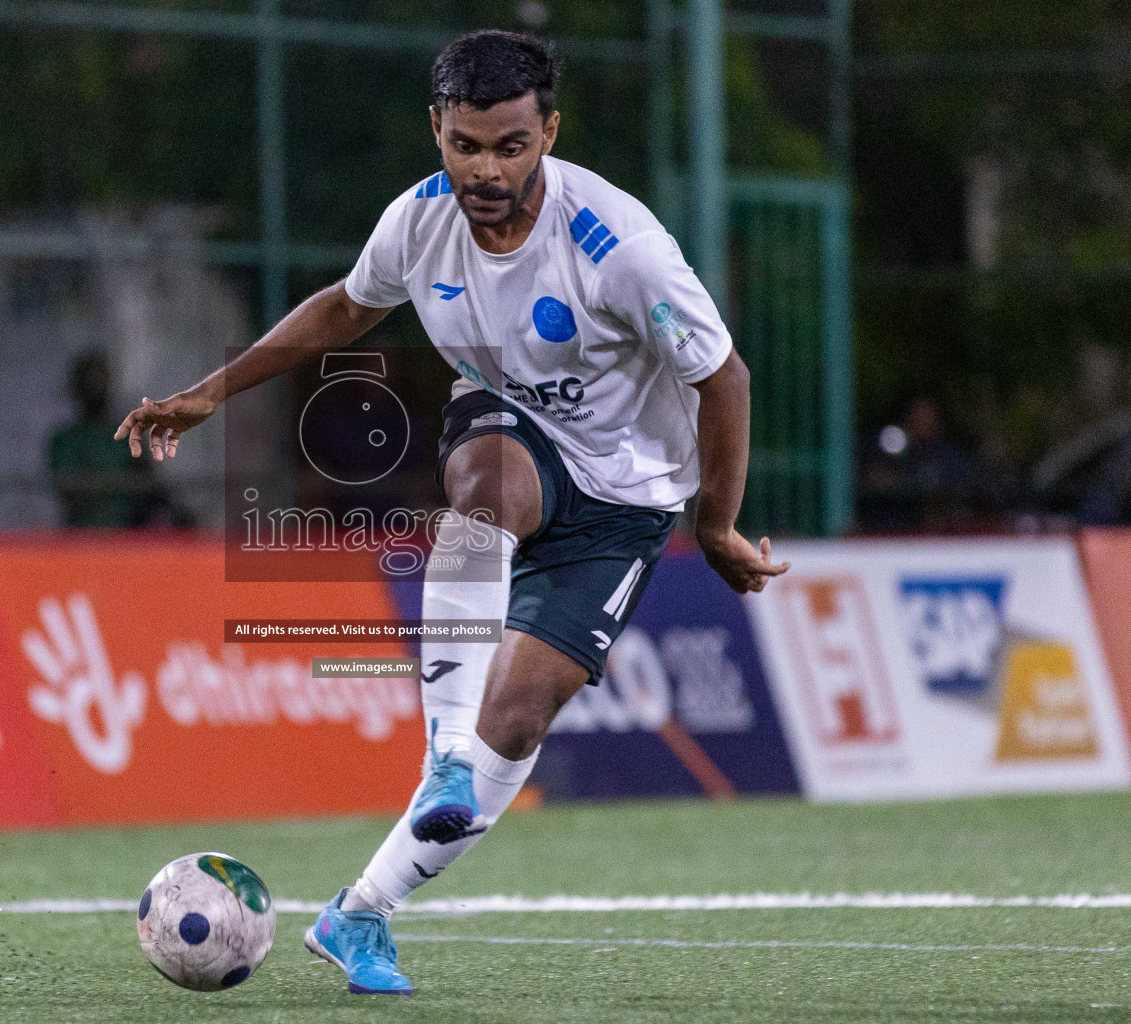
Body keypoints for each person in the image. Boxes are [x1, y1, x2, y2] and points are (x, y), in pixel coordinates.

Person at [115, 32, 788, 994]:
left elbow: (724, 378)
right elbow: (346, 309)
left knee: (516, 719)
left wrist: (717, 525)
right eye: (467, 144)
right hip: (512, 426)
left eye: (512, 146)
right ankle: (443, 759)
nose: (487, 169)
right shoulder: (417, 223)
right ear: (437, 129)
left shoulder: (622, 250)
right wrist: (207, 393)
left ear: (548, 132)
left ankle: (360, 916)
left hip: (630, 490)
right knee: (487, 489)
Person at [48, 349, 170, 528]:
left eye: (100, 379)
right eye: (88, 380)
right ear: (77, 387)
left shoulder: (128, 434)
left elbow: (150, 485)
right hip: (80, 539)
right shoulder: (64, 441)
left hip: (128, 537)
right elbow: (71, 492)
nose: (95, 387)